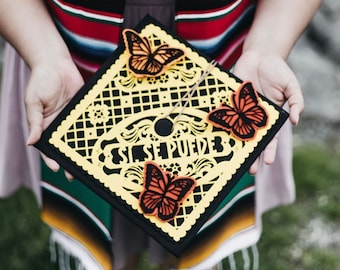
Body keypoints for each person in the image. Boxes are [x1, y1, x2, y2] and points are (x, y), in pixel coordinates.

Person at [0, 0, 322, 269]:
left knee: (192, 221)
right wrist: (45, 54)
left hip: (222, 65)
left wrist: (267, 47)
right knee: (103, 217)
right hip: (76, 64)